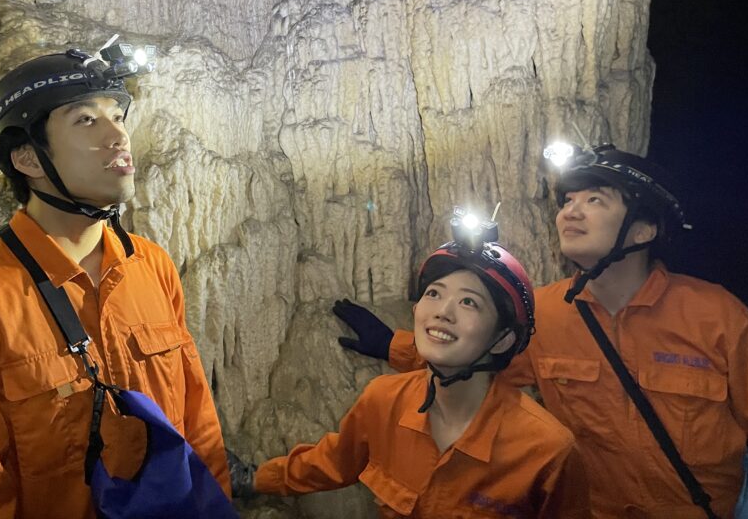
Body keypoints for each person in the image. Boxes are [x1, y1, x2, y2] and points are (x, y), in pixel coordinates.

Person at [336, 143, 748, 518]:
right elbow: (476, 357)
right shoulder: (545, 313)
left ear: (644, 228)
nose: (570, 212)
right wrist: (391, 345)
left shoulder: (717, 318)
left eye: (595, 200)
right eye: (567, 202)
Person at [0, 45, 230, 519]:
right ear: (27, 157)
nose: (118, 137)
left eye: (117, 116)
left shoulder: (153, 267)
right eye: (86, 121)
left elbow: (198, 426)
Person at [234, 215, 590, 518]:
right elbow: (330, 463)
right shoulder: (384, 401)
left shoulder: (545, 450)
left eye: (469, 302)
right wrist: (254, 480)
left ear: (503, 339)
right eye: (434, 293)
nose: (442, 311)